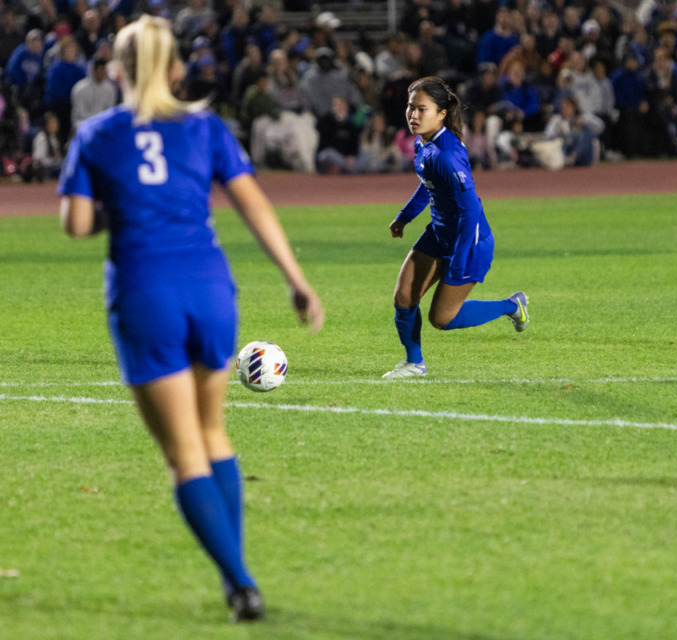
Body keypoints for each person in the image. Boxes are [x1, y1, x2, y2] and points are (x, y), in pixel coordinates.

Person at [57, 16, 322, 622]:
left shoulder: (96, 135)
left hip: (144, 289)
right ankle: (241, 576)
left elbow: (75, 224)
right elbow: (253, 203)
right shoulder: (205, 127)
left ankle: (240, 582)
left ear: (117, 70)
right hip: (208, 286)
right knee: (214, 435)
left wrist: (116, 209)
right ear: (177, 69)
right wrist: (296, 281)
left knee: (183, 454)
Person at [384, 76, 528, 379]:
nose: (413, 115)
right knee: (403, 298)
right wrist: (404, 217)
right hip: (441, 232)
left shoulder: (447, 155)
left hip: (469, 241)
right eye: (411, 108)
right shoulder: (425, 143)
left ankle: (511, 305)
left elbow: (471, 210)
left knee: (442, 318)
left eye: (422, 109)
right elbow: (429, 185)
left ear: (441, 113)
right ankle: (414, 363)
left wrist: (458, 260)